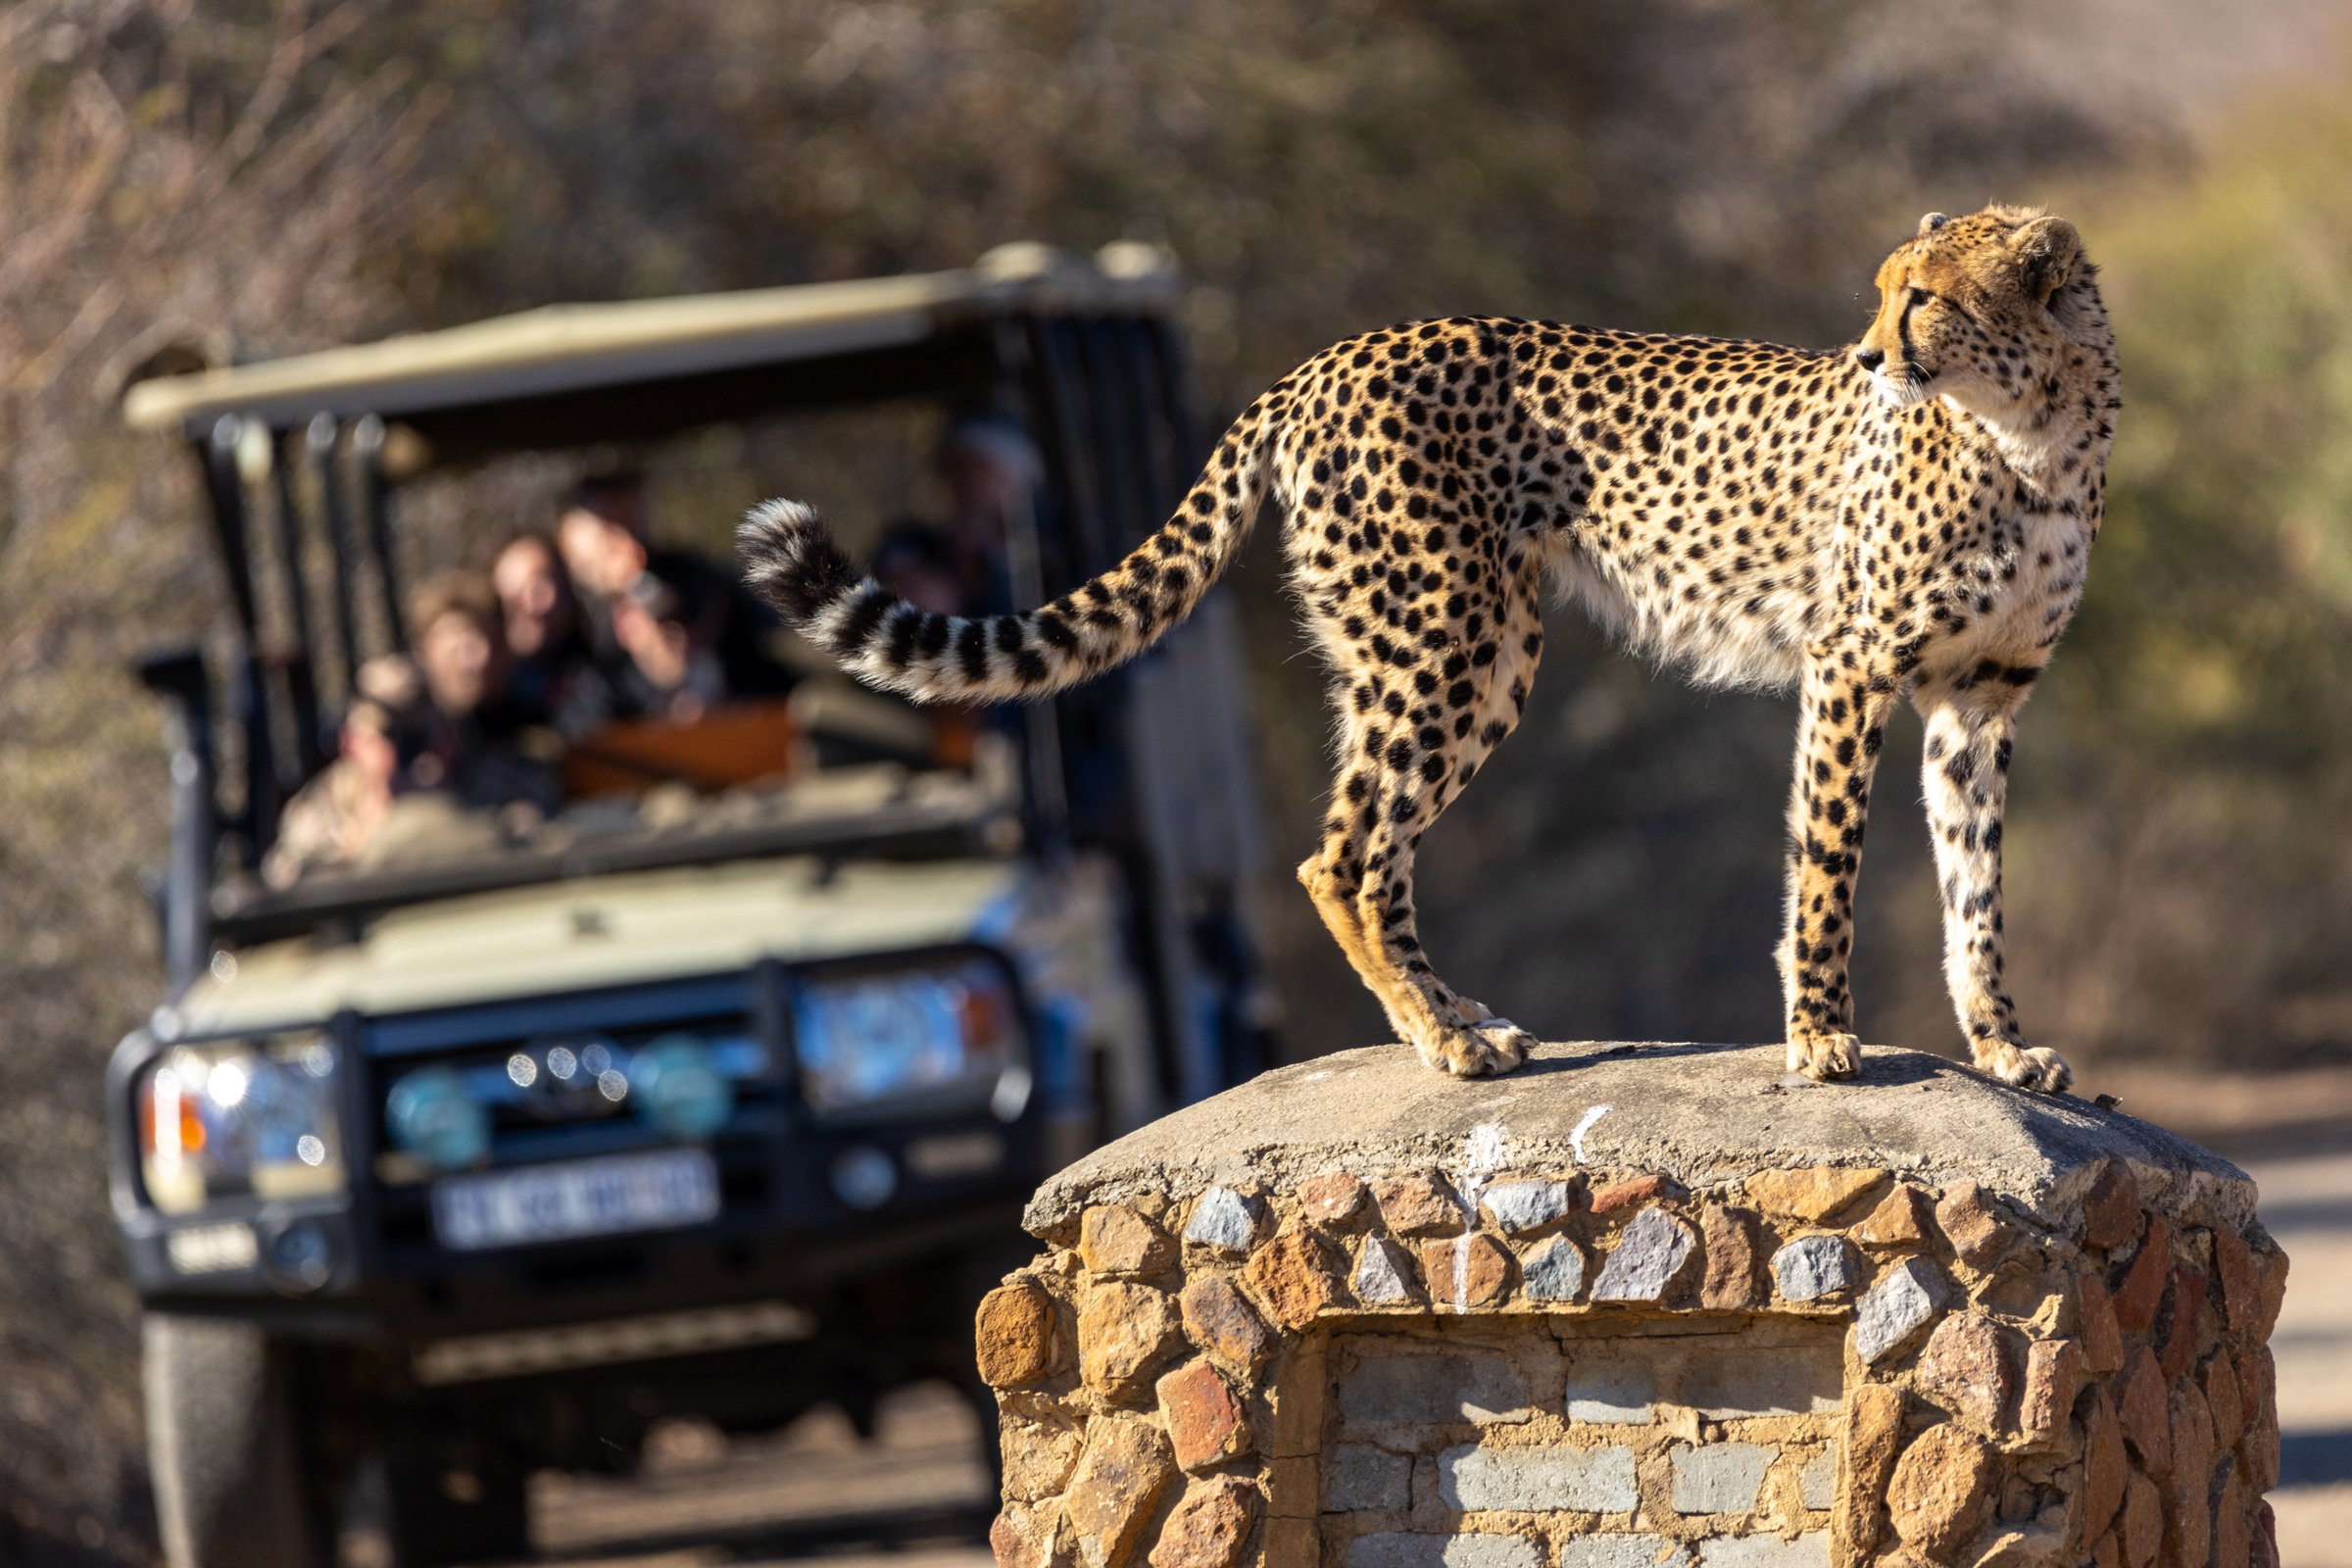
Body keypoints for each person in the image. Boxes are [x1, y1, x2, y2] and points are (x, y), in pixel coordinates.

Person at [556, 471, 792, 702]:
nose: (628, 541)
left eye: (633, 522)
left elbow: (767, 633)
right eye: (610, 528)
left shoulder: (689, 576)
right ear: (571, 537)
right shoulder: (558, 605)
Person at [491, 531, 609, 738]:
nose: (528, 607)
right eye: (512, 594)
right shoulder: (485, 700)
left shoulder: (609, 666)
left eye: (537, 586)